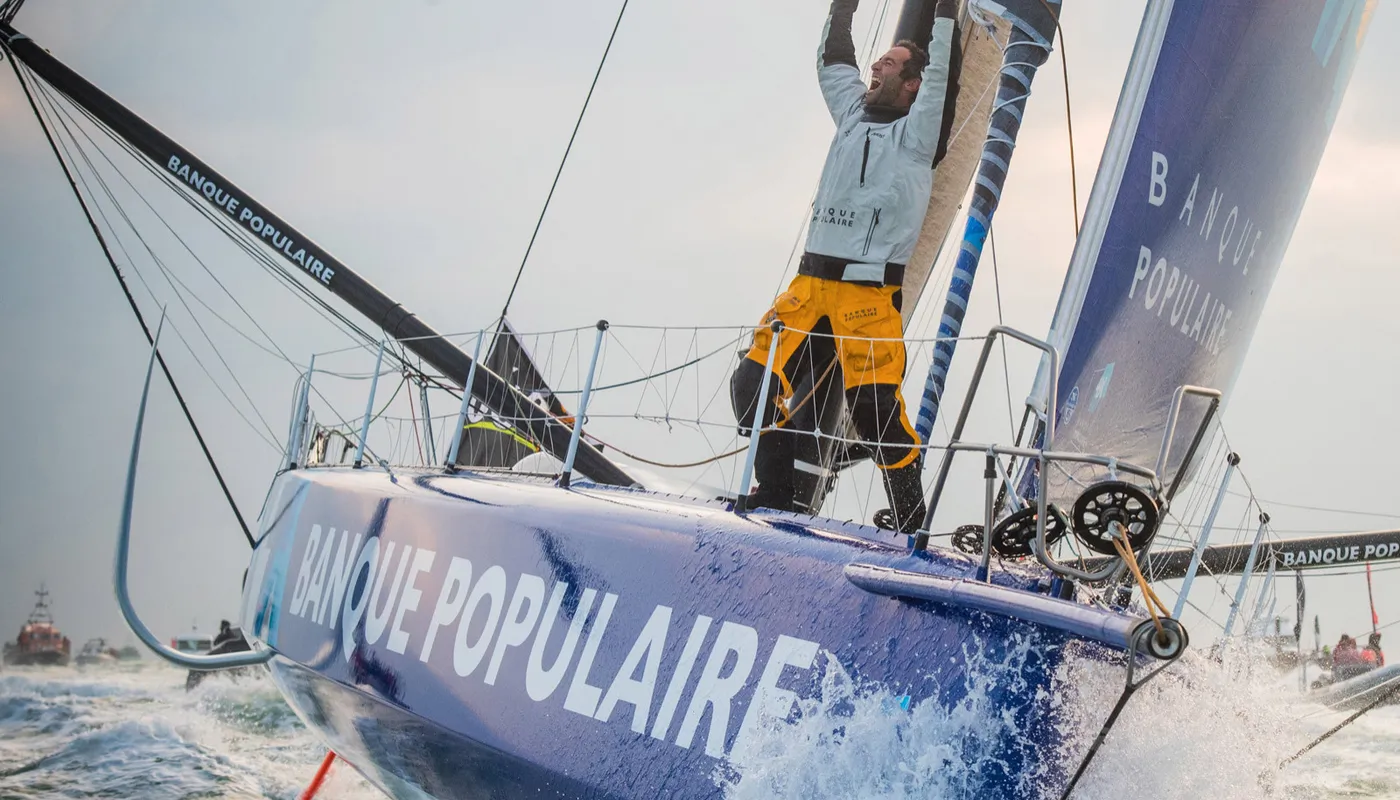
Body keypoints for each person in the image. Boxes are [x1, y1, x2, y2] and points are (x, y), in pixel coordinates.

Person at [731, 0, 959, 532]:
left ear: (910, 86)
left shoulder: (918, 135)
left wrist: (946, 9)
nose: (876, 67)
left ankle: (909, 519)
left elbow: (944, 69)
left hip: (868, 296)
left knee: (876, 415)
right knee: (751, 390)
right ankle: (779, 491)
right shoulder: (852, 109)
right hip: (809, 286)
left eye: (888, 63)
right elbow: (832, 55)